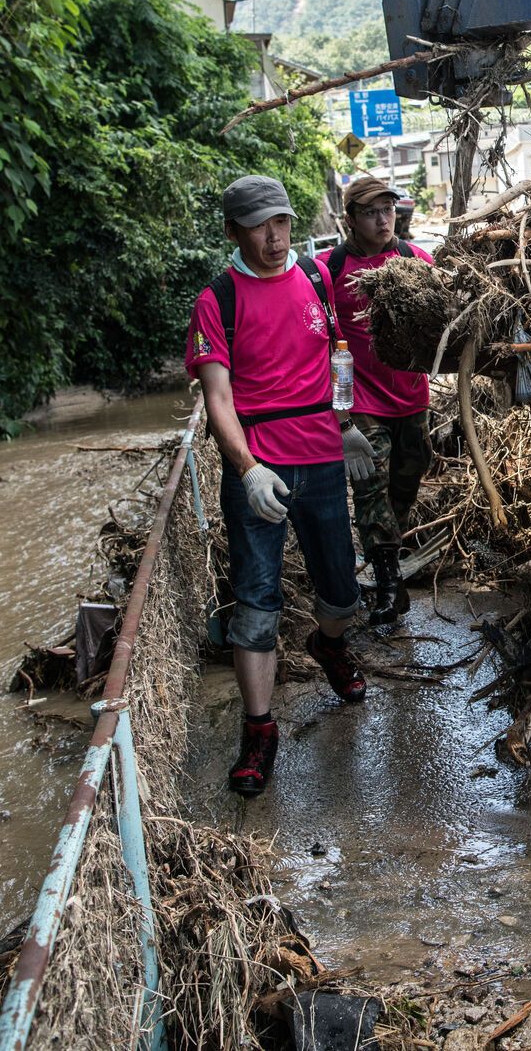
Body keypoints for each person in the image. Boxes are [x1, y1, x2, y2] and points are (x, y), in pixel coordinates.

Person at [187, 175, 366, 798]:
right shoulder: (219, 298)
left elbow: (336, 355)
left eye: (282, 222)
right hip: (258, 466)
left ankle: (328, 643)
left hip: (321, 458)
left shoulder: (317, 279)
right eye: (260, 226)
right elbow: (218, 399)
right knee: (257, 605)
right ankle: (259, 730)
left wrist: (345, 424)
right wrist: (245, 469)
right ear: (234, 231)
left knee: (342, 591)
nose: (274, 237)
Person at [328, 174, 436, 626]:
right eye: (371, 212)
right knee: (370, 488)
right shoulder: (329, 271)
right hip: (363, 401)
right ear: (350, 219)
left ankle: (385, 554)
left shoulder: (415, 260)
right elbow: (321, 343)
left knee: (404, 486)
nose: (382, 219)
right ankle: (390, 588)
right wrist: (342, 416)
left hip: (412, 396)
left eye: (388, 209)